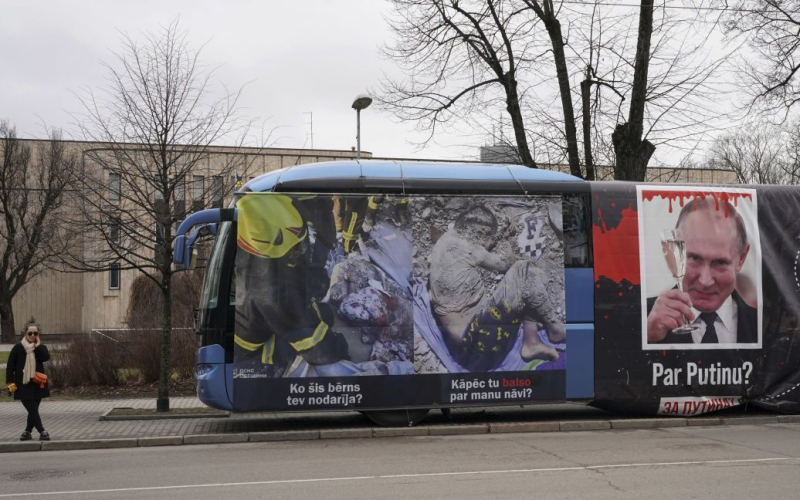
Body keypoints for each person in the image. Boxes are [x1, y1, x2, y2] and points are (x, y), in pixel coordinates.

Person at [428, 204, 566, 372]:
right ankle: (555, 330)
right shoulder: (472, 249)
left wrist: (502, 233)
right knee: (524, 269)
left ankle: (532, 342)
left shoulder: (448, 239)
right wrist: (508, 240)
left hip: (465, 341)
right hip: (477, 341)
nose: (489, 244)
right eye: (489, 238)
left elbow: (485, 248)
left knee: (527, 280)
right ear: (478, 233)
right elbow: (510, 265)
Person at [646, 197, 757, 344]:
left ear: (741, 259)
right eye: (694, 258)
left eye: (720, 262)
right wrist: (647, 338)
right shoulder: (642, 319)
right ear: (675, 251)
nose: (705, 281)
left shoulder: (764, 325)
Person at [6, 323, 51, 441]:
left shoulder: (41, 347)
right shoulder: (18, 347)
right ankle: (42, 431)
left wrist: (37, 346)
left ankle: (27, 432)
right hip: (23, 384)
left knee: (33, 410)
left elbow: (46, 358)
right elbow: (10, 365)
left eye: (35, 333)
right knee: (32, 409)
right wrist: (10, 382)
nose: (32, 335)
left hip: (38, 383)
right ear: (25, 334)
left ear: (38, 334)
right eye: (30, 333)